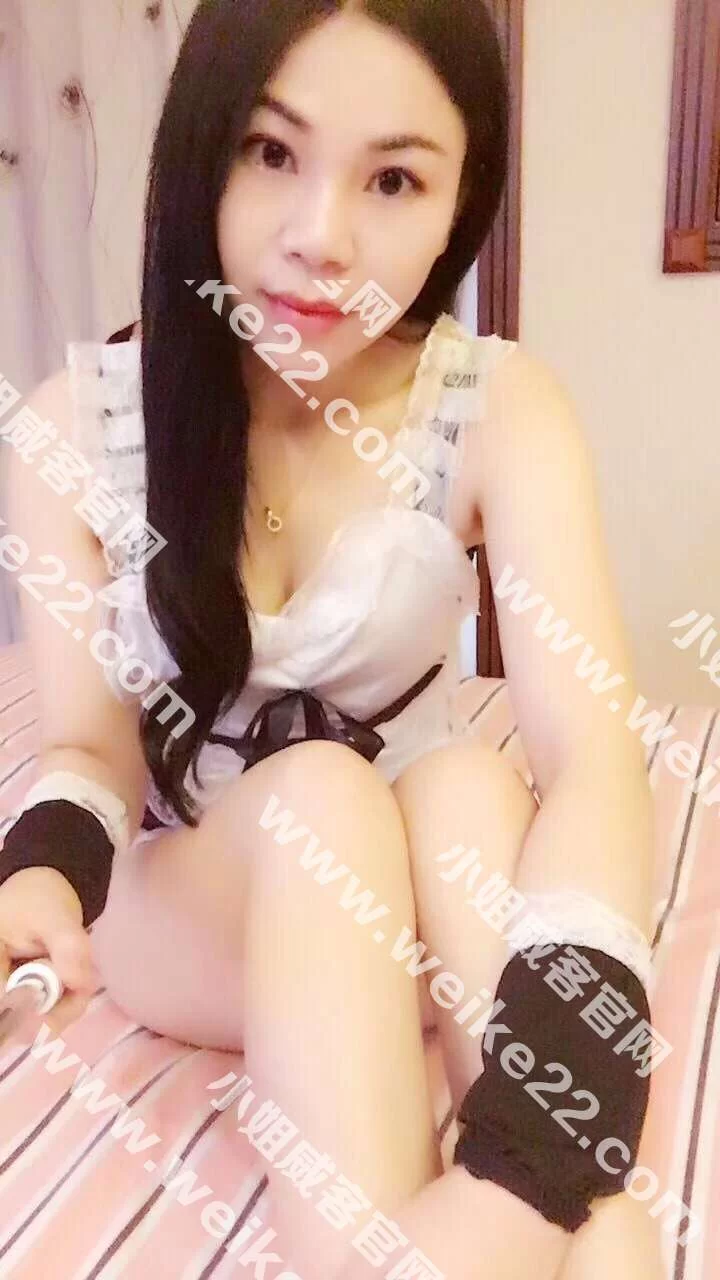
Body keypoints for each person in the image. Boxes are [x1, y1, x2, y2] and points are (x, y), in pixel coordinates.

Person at [0, 2, 665, 1277]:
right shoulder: (71, 430)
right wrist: (42, 869)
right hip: (198, 905)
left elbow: (592, 757)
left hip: (416, 903)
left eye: (394, 178)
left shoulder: (496, 404)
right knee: (321, 799)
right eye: (272, 152)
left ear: (462, 200)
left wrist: (564, 1092)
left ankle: (540, 1184)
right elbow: (91, 741)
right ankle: (566, 1208)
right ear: (201, 149)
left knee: (470, 783)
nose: (322, 236)